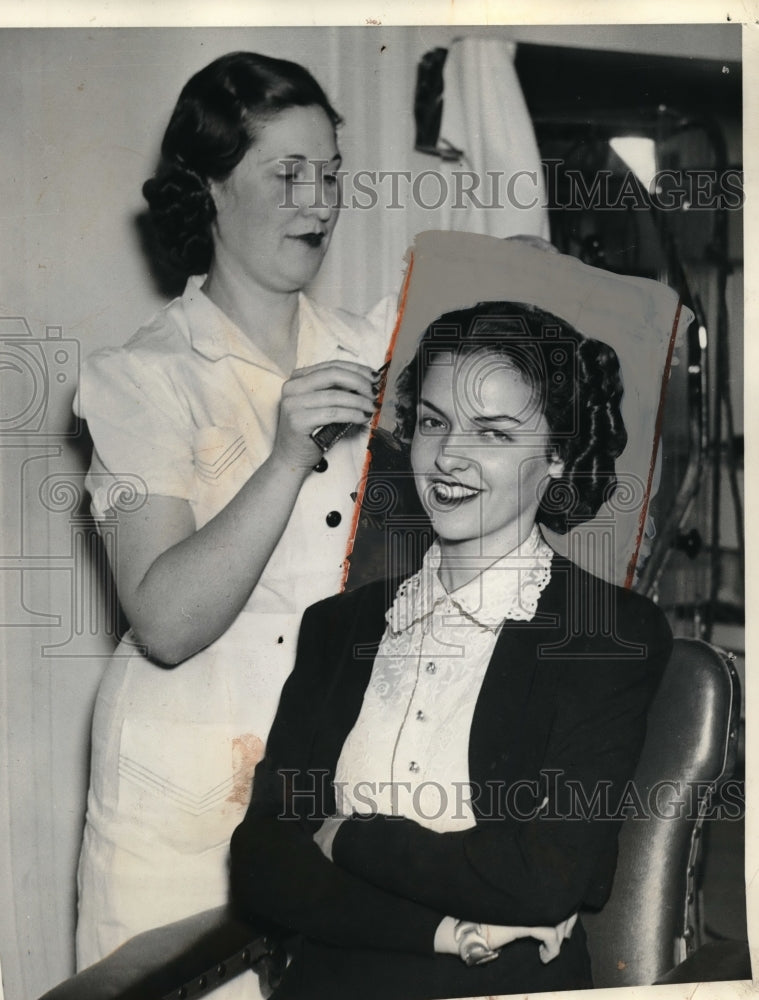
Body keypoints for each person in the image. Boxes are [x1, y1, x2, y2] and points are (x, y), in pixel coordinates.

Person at [230, 300, 673, 1000]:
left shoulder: (605, 632)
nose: (447, 457)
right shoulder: (337, 627)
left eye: (492, 432)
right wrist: (443, 930)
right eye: (433, 421)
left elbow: (545, 877)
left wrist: (344, 836)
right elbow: (261, 863)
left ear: (557, 454)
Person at [73, 51, 391, 975]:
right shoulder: (140, 378)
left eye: (330, 174)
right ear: (210, 188)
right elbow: (166, 621)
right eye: (286, 173)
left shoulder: (373, 348)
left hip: (331, 787)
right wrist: (286, 458)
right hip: (183, 808)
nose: (319, 202)